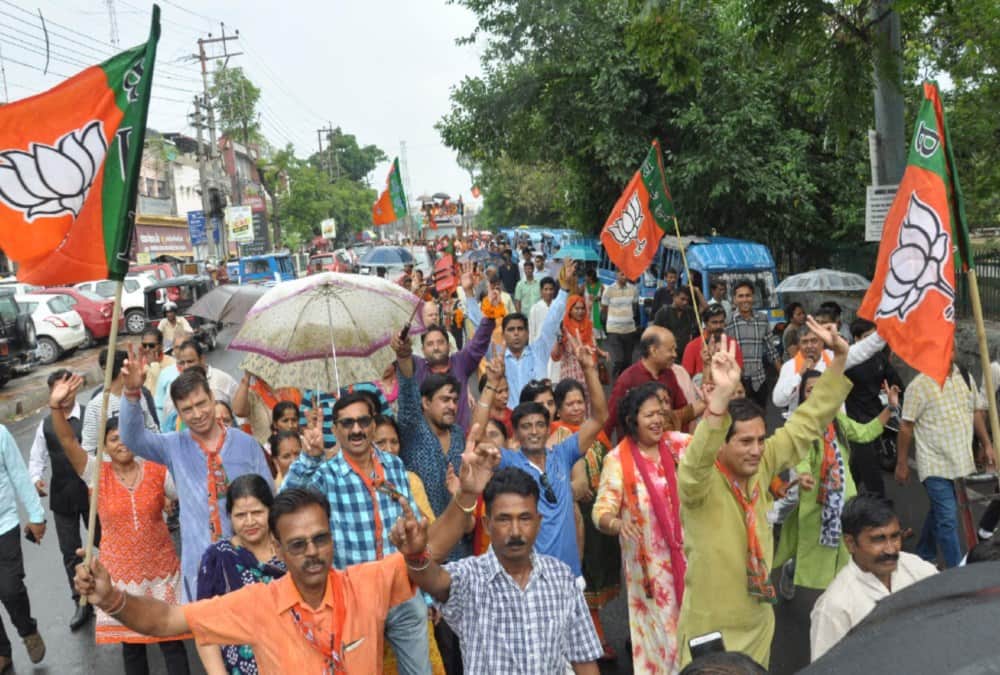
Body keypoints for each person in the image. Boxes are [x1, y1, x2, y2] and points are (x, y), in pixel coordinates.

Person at [73, 442, 499, 675]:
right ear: (277, 547)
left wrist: (466, 494)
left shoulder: (364, 584)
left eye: (320, 539)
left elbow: (434, 549)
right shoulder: (255, 604)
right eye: (298, 544)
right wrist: (112, 600)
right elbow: (166, 621)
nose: (312, 552)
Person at [677, 321, 851, 669]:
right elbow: (696, 463)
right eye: (744, 442)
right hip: (711, 631)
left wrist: (840, 359)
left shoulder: (764, 462)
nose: (757, 450)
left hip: (758, 625)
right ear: (720, 445)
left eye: (760, 439)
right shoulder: (700, 483)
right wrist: (718, 404)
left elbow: (807, 421)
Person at [390, 467, 603, 674]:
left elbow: (583, 658)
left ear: (538, 523)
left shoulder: (561, 578)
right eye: (504, 519)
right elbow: (433, 579)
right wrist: (416, 557)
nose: (516, 531)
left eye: (525, 518)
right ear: (487, 524)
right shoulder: (470, 577)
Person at [282, 392, 434, 675]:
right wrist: (309, 458)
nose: (356, 430)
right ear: (336, 429)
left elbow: (413, 531)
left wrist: (425, 593)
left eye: (363, 421)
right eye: (347, 423)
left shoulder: (394, 465)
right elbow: (286, 503)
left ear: (373, 425)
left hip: (402, 591)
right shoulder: (327, 474)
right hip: (355, 601)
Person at [48, 374, 190, 674]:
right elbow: (66, 440)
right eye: (113, 439)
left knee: (172, 641)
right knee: (133, 647)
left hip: (162, 572)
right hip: (120, 577)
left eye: (125, 436)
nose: (121, 443)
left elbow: (189, 497)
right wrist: (55, 407)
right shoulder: (96, 474)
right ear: (104, 446)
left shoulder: (156, 470)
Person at [118, 347, 275, 601]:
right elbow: (132, 438)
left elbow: (271, 501)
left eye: (202, 403)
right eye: (188, 409)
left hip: (250, 564)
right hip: (200, 567)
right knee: (208, 636)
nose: (198, 414)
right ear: (178, 413)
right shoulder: (173, 446)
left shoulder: (246, 445)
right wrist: (132, 393)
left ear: (212, 398)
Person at [475, 337, 608, 577]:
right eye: (526, 426)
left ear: (549, 429)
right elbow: (475, 438)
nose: (534, 431)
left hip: (569, 573)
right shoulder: (509, 462)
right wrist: (491, 384)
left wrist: (589, 369)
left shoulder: (563, 453)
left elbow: (599, 417)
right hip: (529, 576)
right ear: (515, 432)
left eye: (539, 425)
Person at [773, 370, 899, 595]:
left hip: (845, 498)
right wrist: (803, 475)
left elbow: (864, 432)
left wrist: (889, 408)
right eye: (810, 390)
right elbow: (800, 457)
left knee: (846, 551)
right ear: (802, 395)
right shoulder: (800, 424)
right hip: (816, 503)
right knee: (815, 554)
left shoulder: (837, 419)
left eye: (820, 389)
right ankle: (792, 571)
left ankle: (842, 599)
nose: (816, 394)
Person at [594, 383, 690, 672]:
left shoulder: (677, 444)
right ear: (632, 420)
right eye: (649, 415)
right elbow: (601, 510)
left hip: (691, 560)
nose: (658, 420)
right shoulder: (616, 459)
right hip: (650, 572)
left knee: (695, 633)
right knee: (664, 640)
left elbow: (713, 448)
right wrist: (617, 522)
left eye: (660, 413)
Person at [809, 495, 937, 661]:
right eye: (878, 539)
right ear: (850, 543)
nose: (891, 549)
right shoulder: (835, 607)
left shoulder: (916, 568)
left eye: (895, 537)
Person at [895, 361, 995, 569]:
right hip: (934, 464)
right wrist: (902, 463)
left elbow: (976, 411)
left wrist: (986, 444)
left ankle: (925, 552)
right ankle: (958, 572)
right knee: (948, 518)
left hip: (960, 462)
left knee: (940, 511)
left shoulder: (964, 377)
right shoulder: (918, 385)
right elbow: (906, 427)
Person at [552, 379, 619, 660]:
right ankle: (594, 641)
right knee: (584, 579)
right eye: (570, 403)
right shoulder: (557, 436)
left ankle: (592, 636)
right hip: (576, 519)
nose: (577, 407)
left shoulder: (596, 434)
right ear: (558, 409)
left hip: (601, 516)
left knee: (600, 575)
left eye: (581, 401)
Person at [28, 369, 98, 630]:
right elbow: (37, 458)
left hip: (93, 494)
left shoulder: (90, 415)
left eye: (69, 388)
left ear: (76, 388)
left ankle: (116, 595)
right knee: (70, 553)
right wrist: (36, 479)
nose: (65, 395)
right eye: (59, 390)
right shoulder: (45, 425)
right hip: (63, 496)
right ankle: (81, 603)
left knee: (106, 543)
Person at [196, 474, 286, 675]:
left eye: (257, 512)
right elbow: (203, 626)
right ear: (229, 516)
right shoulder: (218, 558)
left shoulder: (289, 548)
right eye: (240, 515)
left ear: (270, 511)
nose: (250, 522)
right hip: (243, 667)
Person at [409, 292, 497, 431]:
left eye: (440, 342)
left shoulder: (460, 362)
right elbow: (401, 356)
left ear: (449, 346)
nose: (436, 347)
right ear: (423, 350)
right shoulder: (417, 367)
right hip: (427, 445)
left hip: (460, 442)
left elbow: (478, 342)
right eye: (430, 344)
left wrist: (490, 313)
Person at [0, 423, 46, 673]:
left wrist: (36, 515)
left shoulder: (1, 434)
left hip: (3, 525)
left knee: (10, 588)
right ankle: (1, 652)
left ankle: (27, 629)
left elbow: (18, 474)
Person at [772, 314, 886, 413]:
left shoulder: (834, 358)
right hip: (803, 430)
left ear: (822, 342)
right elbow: (778, 401)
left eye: (814, 341)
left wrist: (886, 330)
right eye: (805, 342)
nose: (810, 346)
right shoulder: (789, 366)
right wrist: (799, 376)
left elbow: (862, 350)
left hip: (833, 427)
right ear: (799, 345)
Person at [499, 260, 573, 408]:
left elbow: (550, 324)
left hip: (537, 420)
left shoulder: (538, 351)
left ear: (527, 333)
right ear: (503, 335)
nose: (516, 334)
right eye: (511, 330)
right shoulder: (498, 361)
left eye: (520, 329)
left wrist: (564, 290)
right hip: (510, 419)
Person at [843, 318, 902, 497]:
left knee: (858, 467)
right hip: (855, 422)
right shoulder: (846, 362)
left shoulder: (879, 358)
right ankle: (881, 510)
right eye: (868, 338)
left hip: (876, 418)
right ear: (856, 339)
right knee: (871, 471)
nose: (873, 342)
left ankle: (842, 499)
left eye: (875, 337)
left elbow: (896, 381)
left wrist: (893, 390)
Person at [604, 326, 689, 441]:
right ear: (653, 350)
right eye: (670, 350)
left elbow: (683, 409)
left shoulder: (669, 374)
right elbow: (609, 421)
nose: (675, 354)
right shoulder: (628, 379)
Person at [81, 348, 157, 452]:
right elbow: (89, 448)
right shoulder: (95, 405)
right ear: (123, 372)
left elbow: (152, 429)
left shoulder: (139, 395)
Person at [724, 279, 779, 409]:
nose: (745, 299)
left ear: (753, 297)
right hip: (736, 382)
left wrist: (782, 374)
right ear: (734, 299)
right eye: (740, 296)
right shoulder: (728, 321)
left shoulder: (762, 319)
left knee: (760, 419)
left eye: (748, 295)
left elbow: (771, 350)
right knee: (738, 421)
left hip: (759, 381)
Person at [161, 339, 240, 430]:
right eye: (182, 363)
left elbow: (241, 416)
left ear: (202, 359)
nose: (186, 366)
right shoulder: (174, 389)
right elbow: (169, 422)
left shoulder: (222, 380)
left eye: (190, 361)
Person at [231, 371, 303, 445]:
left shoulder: (292, 386)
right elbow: (238, 411)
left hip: (299, 444)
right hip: (270, 451)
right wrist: (247, 377)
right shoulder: (252, 394)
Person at [551, 293, 603, 387]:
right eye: (577, 308)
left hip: (590, 376)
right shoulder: (564, 328)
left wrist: (600, 353)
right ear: (569, 310)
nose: (580, 311)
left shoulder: (589, 326)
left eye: (582, 308)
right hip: (571, 377)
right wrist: (560, 340)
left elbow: (594, 347)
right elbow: (555, 356)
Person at [682, 304, 744, 377]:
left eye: (721, 322)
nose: (718, 326)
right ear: (705, 323)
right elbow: (686, 377)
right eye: (714, 322)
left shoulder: (731, 343)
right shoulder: (692, 346)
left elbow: (740, 371)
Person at [601, 270, 639, 378]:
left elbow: (634, 307)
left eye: (626, 274)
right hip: (614, 330)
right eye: (622, 274)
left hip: (629, 330)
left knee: (627, 361)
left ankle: (623, 382)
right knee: (619, 359)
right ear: (616, 274)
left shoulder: (633, 289)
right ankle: (614, 379)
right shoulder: (609, 290)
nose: (624, 276)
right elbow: (604, 308)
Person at [654, 287, 699, 361]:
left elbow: (705, 310)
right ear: (674, 297)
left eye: (687, 300)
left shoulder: (690, 312)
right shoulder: (663, 312)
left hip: (685, 355)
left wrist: (697, 291)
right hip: (667, 355)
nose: (685, 302)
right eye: (682, 299)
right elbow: (655, 335)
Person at [140, 327, 175, 396]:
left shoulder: (172, 364)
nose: (147, 349)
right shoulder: (138, 364)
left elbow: (166, 389)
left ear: (161, 346)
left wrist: (154, 364)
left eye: (151, 346)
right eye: (144, 345)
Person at [529, 276, 559, 344]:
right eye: (546, 289)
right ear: (541, 291)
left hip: (555, 345)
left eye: (551, 289)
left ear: (554, 290)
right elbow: (531, 331)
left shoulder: (558, 307)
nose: (548, 292)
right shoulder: (535, 308)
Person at [583, 268, 605, 340]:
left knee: (595, 321)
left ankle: (596, 335)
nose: (585, 278)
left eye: (587, 276)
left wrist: (598, 298)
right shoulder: (585, 285)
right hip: (586, 306)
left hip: (596, 307)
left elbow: (603, 297)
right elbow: (579, 294)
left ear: (591, 277)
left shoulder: (600, 285)